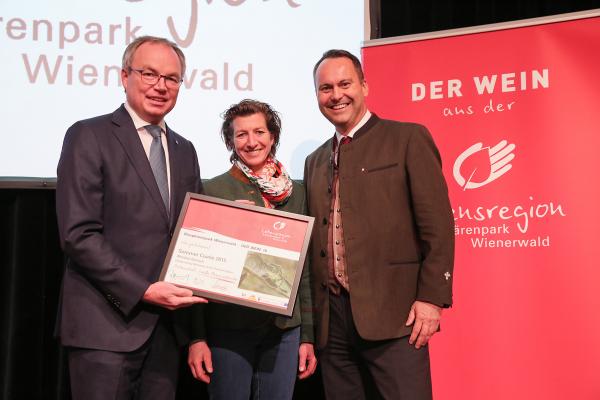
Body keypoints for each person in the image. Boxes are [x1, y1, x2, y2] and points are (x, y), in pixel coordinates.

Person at [55, 36, 206, 400]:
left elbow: (194, 235)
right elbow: (78, 234)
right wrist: (143, 289)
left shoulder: (184, 149)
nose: (161, 86)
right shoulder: (88, 135)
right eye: (149, 73)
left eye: (171, 78)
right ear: (125, 76)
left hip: (166, 334)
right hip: (104, 329)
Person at [303, 49, 455, 400]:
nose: (336, 95)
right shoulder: (314, 161)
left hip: (396, 316)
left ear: (365, 86)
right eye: (326, 88)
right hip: (333, 322)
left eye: (344, 83)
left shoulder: (407, 138)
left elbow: (438, 227)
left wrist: (431, 299)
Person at [186, 99, 317, 399]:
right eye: (241, 134)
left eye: (259, 131)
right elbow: (196, 273)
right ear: (230, 141)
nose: (251, 141)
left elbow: (305, 270)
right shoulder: (212, 190)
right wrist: (197, 337)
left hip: (284, 330)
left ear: (272, 136)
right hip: (229, 329)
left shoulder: (296, 193)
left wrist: (307, 336)